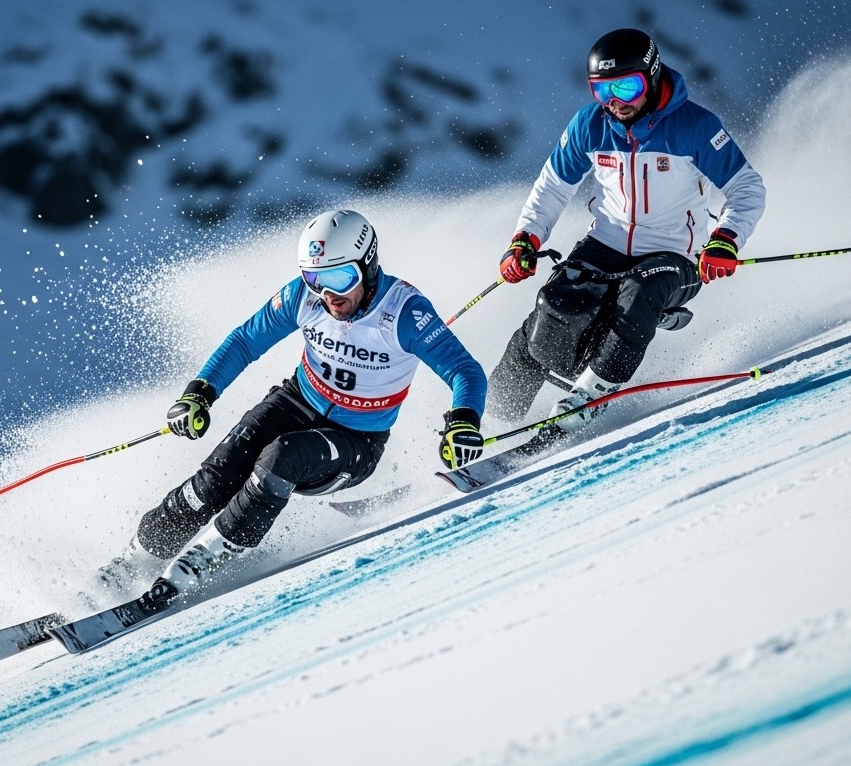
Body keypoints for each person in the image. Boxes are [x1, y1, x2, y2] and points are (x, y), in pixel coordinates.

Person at [97, 209, 488, 612]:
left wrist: (463, 421)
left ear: (368, 267)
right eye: (314, 279)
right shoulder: (304, 298)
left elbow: (465, 371)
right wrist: (200, 392)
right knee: (216, 477)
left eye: (340, 279)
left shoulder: (404, 312)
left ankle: (195, 566)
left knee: (281, 457)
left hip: (357, 440)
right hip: (295, 401)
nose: (328, 295)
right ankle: (130, 563)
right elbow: (246, 340)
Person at [488, 27, 766, 433]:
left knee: (639, 293)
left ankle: (589, 397)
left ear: (651, 77)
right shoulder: (590, 125)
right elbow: (552, 187)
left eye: (627, 87)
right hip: (606, 242)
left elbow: (747, 189)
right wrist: (525, 238)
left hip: (673, 255)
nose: (615, 102)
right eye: (603, 91)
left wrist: (726, 239)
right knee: (551, 309)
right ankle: (490, 417)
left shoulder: (695, 127)